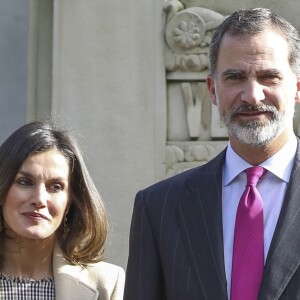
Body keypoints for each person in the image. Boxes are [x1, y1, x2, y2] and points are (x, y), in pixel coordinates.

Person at [124, 7, 300, 300]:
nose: (252, 95)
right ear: (213, 89)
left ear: (296, 88)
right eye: (235, 77)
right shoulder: (159, 208)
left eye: (269, 77)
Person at [0, 120, 125, 300]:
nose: (39, 199)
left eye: (55, 187)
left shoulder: (107, 283)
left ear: (70, 202)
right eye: (25, 182)